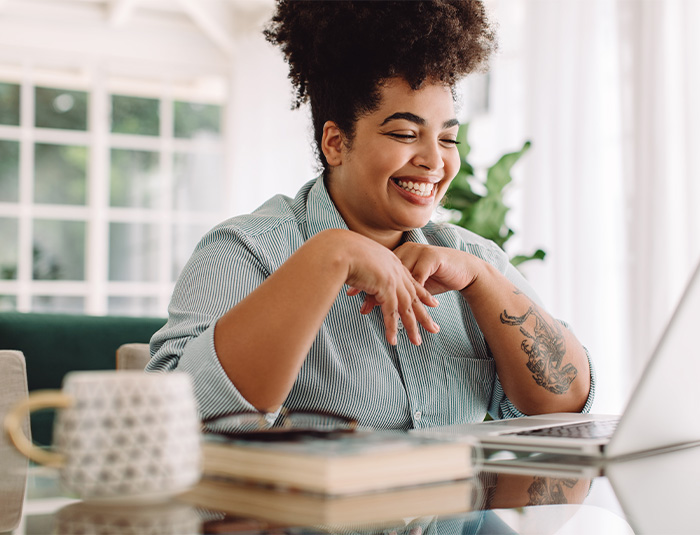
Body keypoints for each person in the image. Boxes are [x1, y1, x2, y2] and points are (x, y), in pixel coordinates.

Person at [149, 0, 594, 429]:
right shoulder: (245, 252)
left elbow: (565, 407)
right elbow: (171, 422)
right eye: (405, 133)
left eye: (447, 139)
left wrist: (483, 283)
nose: (434, 161)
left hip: (459, 506)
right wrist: (329, 255)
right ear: (336, 143)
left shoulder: (471, 260)